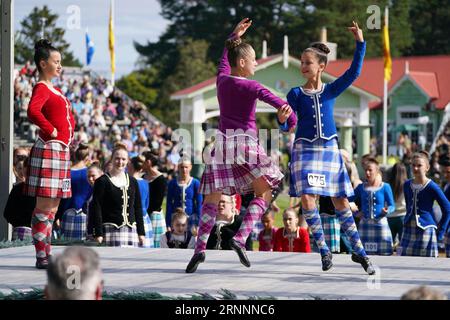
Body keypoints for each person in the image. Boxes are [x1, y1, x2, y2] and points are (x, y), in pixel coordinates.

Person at [186, 18, 297, 273]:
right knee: (264, 192)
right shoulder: (253, 85)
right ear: (244, 62)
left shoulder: (222, 81)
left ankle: (200, 248)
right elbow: (280, 104)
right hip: (245, 144)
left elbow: (223, 61)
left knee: (211, 200)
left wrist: (234, 35)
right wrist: (289, 120)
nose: (257, 63)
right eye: (255, 59)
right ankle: (240, 237)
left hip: (222, 145)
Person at [284, 21, 375, 274]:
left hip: (328, 149)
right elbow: (287, 124)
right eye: (301, 62)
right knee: (307, 197)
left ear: (321, 66)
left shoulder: (331, 90)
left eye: (307, 62)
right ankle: (324, 250)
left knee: (340, 199)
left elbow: (354, 72)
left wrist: (360, 42)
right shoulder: (294, 94)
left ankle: (360, 252)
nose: (302, 66)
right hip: (304, 149)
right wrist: (282, 121)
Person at [23, 39, 76, 269]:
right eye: (56, 62)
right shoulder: (42, 87)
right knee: (44, 207)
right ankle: (41, 255)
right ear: (43, 64)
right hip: (49, 149)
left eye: (60, 62)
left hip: (60, 151)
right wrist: (51, 129)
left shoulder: (54, 89)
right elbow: (32, 111)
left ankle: (46, 251)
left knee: (53, 208)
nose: (60, 66)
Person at [92, 143, 145, 247]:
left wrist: (141, 232)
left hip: (131, 231)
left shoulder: (133, 181)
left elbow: (138, 208)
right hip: (110, 230)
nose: (120, 162)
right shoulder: (102, 181)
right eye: (117, 158)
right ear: (111, 159)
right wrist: (98, 233)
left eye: (123, 159)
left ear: (127, 161)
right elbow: (96, 207)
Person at [401, 151, 450, 257]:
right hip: (408, 228)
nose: (415, 168)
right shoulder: (406, 185)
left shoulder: (432, 186)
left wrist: (441, 231)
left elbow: (447, 209)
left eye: (419, 165)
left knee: (425, 263)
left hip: (426, 230)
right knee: (404, 262)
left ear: (427, 168)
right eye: (413, 165)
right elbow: (408, 205)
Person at [351, 157, 395, 255]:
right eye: (366, 170)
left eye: (370, 170)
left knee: (385, 253)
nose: (367, 173)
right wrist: (356, 213)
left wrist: (387, 210)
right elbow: (349, 200)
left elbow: (392, 205)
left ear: (376, 171)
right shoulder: (360, 187)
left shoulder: (385, 187)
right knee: (364, 254)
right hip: (365, 224)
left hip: (381, 224)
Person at [58, 144, 92, 241]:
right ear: (87, 157)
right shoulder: (91, 173)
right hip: (86, 214)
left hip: (68, 213)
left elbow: (64, 194)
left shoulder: (67, 173)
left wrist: (59, 215)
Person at [3, 156, 35, 241]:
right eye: (26, 167)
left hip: (20, 232)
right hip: (36, 231)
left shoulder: (17, 188)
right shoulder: (18, 188)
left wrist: (19, 224)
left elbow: (7, 213)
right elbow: (7, 213)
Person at [166, 158, 203, 229]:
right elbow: (169, 203)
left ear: (190, 167)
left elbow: (199, 203)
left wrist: (198, 223)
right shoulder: (173, 183)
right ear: (178, 167)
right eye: (182, 167)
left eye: (186, 167)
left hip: (191, 219)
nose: (184, 170)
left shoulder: (195, 183)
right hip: (176, 219)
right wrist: (168, 223)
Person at [128, 155, 154, 248]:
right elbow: (147, 203)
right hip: (144, 217)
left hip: (133, 218)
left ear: (130, 167)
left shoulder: (128, 182)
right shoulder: (145, 182)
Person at [143, 151, 167, 248]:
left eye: (143, 162)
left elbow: (157, 203)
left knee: (156, 244)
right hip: (144, 215)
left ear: (148, 162)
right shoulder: (142, 177)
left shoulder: (160, 179)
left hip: (154, 216)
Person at [387, 162, 408, 250]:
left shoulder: (388, 185)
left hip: (390, 216)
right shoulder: (407, 184)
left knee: (388, 244)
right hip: (403, 216)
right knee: (403, 244)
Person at [85, 163, 103, 238]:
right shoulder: (91, 191)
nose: (90, 179)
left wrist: (99, 234)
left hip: (100, 234)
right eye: (88, 176)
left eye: (93, 176)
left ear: (101, 175)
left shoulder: (104, 191)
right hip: (91, 233)